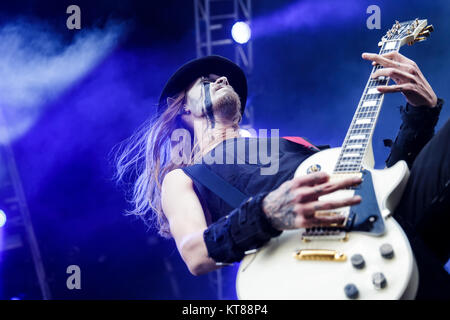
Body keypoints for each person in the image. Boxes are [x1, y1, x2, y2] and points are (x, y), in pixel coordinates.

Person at [114, 53, 449, 299]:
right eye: (207, 81)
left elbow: (380, 187)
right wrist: (267, 213)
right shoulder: (185, 176)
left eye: (225, 79)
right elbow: (195, 253)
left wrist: (421, 114)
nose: (222, 79)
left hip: (385, 230)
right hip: (317, 276)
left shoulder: (293, 145)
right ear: (184, 108)